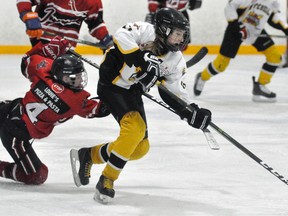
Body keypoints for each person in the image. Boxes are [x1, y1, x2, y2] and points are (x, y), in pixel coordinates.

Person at [70, 8, 212, 204]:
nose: (181, 39)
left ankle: (89, 155)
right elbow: (121, 36)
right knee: (134, 130)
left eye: (183, 35)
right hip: (111, 83)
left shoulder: (175, 60)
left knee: (140, 147)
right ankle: (107, 179)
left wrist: (190, 111)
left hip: (131, 90)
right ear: (163, 29)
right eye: (177, 34)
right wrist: (140, 59)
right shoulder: (145, 31)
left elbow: (174, 91)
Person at [0, 36, 110, 185]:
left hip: (8, 110)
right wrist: (119, 89)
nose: (78, 81)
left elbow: (26, 61)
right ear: (61, 76)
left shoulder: (42, 69)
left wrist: (49, 49)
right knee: (36, 175)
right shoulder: (75, 101)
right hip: (15, 135)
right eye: (73, 78)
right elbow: (101, 109)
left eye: (79, 76)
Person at [193, 0, 288, 103]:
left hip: (255, 31)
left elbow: (274, 18)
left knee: (274, 56)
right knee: (221, 65)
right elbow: (230, 6)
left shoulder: (272, 1)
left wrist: (286, 29)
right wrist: (235, 26)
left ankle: (260, 86)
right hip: (236, 29)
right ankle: (202, 77)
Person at [16, 0, 113, 48]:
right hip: (42, 42)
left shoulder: (92, 2)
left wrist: (105, 38)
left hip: (67, 47)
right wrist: (28, 16)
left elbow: (95, 23)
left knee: (71, 77)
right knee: (43, 73)